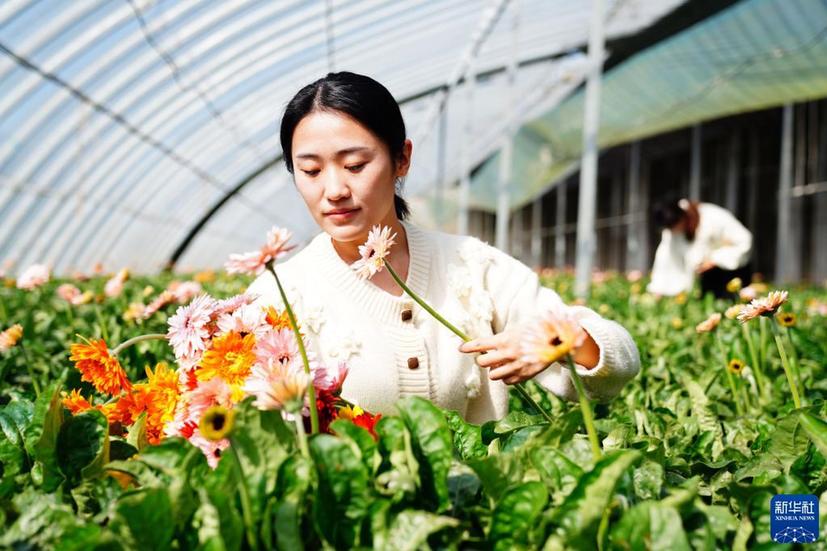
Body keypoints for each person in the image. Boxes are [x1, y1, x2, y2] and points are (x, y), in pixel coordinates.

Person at [247, 72, 640, 423]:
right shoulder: (276, 297)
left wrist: (563, 343)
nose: (334, 191)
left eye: (354, 165)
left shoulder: (470, 267)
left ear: (401, 159)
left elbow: (617, 359)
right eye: (311, 171)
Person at [647, 199, 753, 298]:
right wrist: (659, 286)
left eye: (674, 226)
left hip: (730, 274)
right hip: (704, 280)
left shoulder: (714, 216)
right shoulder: (671, 229)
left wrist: (715, 259)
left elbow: (745, 241)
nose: (673, 231)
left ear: (682, 216)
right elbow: (664, 258)